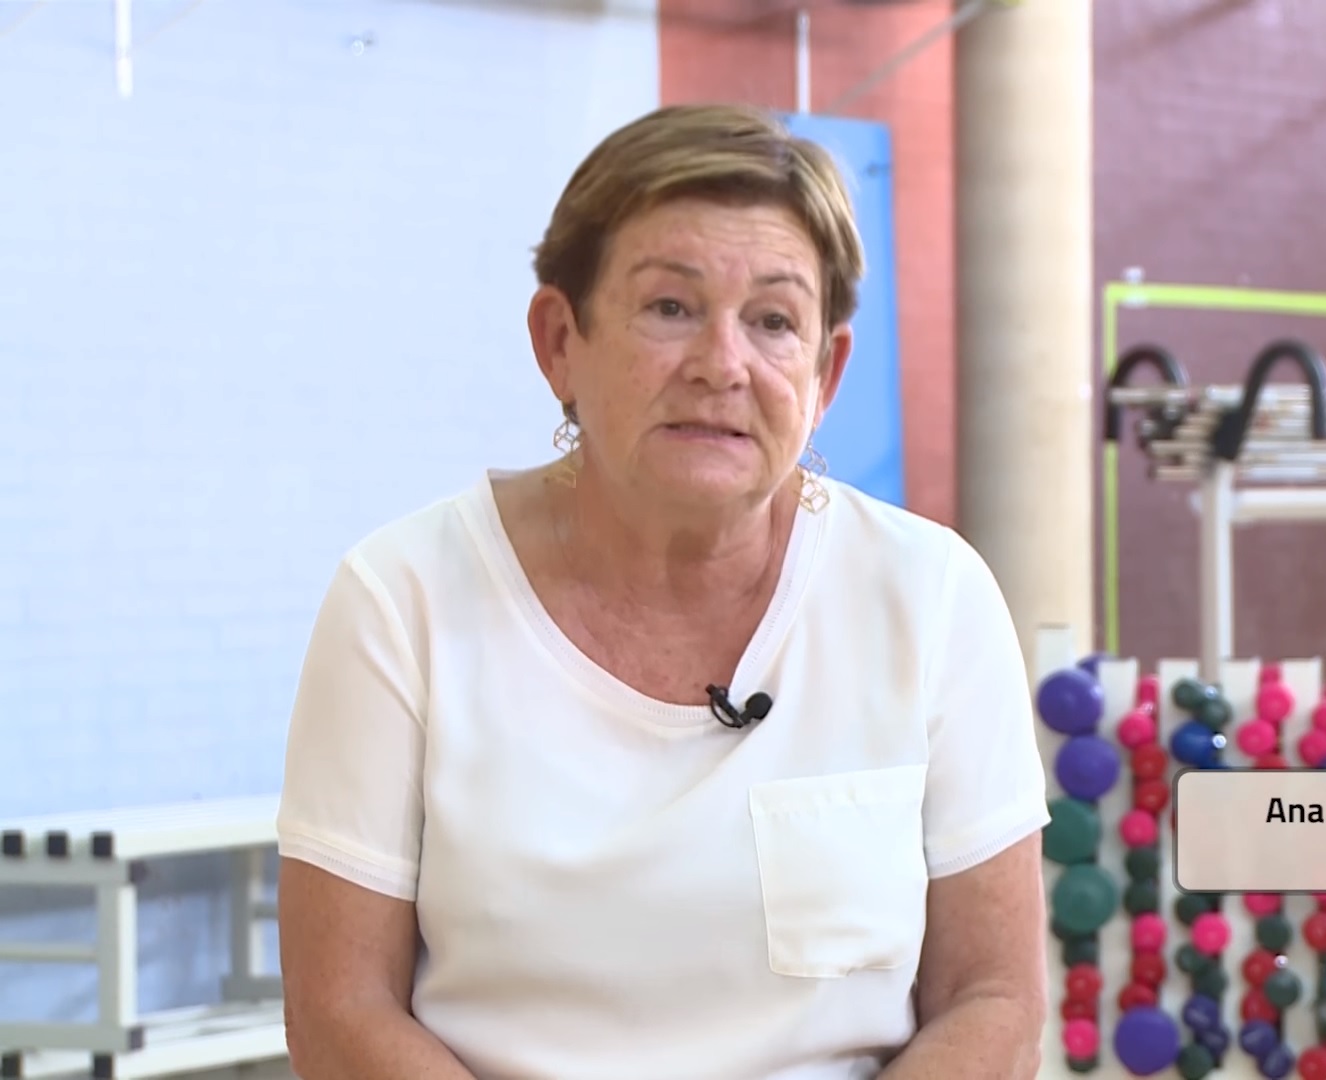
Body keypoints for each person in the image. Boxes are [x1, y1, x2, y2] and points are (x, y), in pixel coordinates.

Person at [273, 103, 1052, 1080]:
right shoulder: (403, 600)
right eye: (670, 308)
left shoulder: (931, 598)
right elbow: (341, 1011)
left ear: (826, 372)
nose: (723, 366)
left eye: (774, 322)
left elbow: (995, 1000)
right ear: (560, 340)